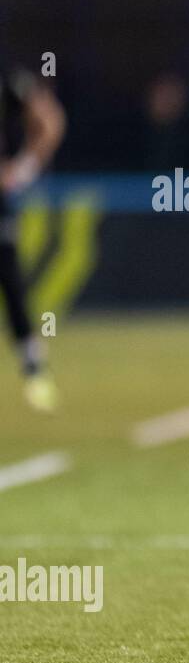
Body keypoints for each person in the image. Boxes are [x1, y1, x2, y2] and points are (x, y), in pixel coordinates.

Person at [0, 63, 65, 412]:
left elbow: (51, 122)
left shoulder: (12, 83)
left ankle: (34, 368)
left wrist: (22, 169)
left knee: (11, 284)